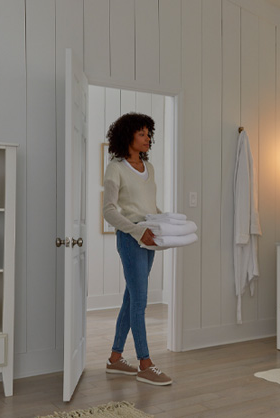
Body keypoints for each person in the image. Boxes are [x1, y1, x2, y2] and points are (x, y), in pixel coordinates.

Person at [102, 112, 172, 386]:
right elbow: (108, 212)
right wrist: (137, 229)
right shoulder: (115, 168)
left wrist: (164, 221)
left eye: (149, 134)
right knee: (140, 301)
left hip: (149, 237)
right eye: (142, 133)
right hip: (131, 240)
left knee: (131, 300)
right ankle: (145, 363)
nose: (147, 138)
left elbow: (148, 208)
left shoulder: (149, 167)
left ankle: (115, 358)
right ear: (128, 135)